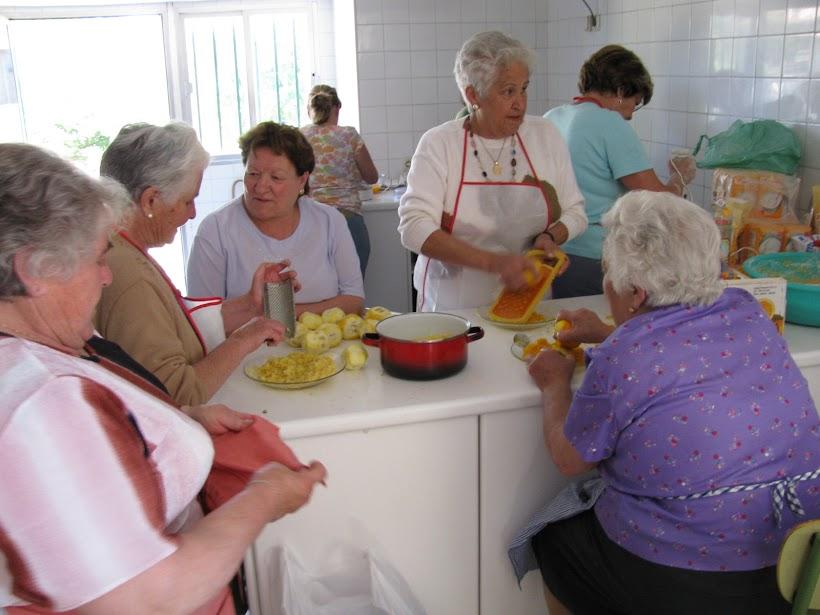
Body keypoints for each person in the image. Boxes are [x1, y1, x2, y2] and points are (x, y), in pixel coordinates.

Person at [0, 143, 326, 614]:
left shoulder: (39, 349)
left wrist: (181, 419)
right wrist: (266, 497)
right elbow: (148, 597)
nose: (106, 277)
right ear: (34, 271)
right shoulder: (40, 399)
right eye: (96, 260)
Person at [509, 191, 819, 615]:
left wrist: (554, 384)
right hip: (794, 562)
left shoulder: (626, 357)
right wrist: (608, 331)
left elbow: (570, 457)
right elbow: (691, 349)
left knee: (557, 542)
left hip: (692, 582)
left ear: (635, 293)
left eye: (606, 273)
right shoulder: (749, 313)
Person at [95, 122, 296, 407]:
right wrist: (243, 339)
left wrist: (250, 306)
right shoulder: (127, 273)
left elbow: (173, 328)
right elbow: (177, 394)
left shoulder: (124, 250)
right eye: (188, 200)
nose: (193, 213)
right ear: (151, 200)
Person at [397, 30, 587, 312]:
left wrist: (548, 238)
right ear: (473, 94)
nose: (520, 103)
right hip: (455, 305)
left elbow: (576, 213)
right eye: (508, 91)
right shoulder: (440, 143)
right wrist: (494, 263)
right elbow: (414, 228)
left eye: (524, 88)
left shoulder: (545, 135)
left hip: (528, 298)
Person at [545, 44, 697, 298]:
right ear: (621, 91)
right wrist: (679, 177)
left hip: (554, 249)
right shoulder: (608, 122)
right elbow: (660, 200)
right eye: (635, 104)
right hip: (595, 256)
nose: (630, 116)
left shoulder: (552, 117)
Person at [187, 121, 365, 317]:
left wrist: (284, 314)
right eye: (253, 174)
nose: (261, 187)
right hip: (246, 347)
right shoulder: (215, 231)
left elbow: (354, 299)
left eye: (276, 178)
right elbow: (201, 319)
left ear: (302, 180)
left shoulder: (330, 222)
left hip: (324, 345)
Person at [300, 84, 379, 276]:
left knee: (318, 288)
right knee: (352, 289)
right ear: (337, 107)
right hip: (347, 218)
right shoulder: (349, 135)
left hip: (311, 219)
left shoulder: (299, 136)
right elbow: (371, 177)